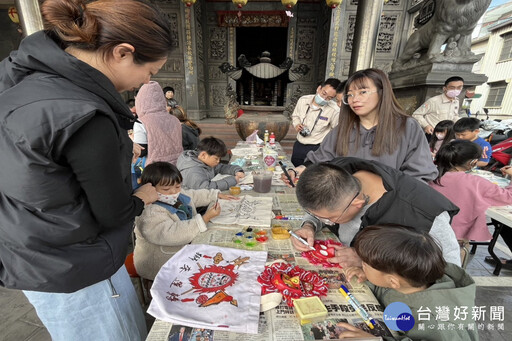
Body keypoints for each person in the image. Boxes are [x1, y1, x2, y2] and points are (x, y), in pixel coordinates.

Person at [0, 0, 172, 339]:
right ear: (122, 52)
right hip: (77, 266)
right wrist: (142, 195)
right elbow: (114, 212)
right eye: (149, 72)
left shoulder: (20, 78)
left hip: (28, 249)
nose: (144, 82)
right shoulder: (85, 115)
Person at [291, 158, 461, 268]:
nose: (326, 221)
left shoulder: (424, 214)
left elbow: (450, 273)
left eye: (330, 219)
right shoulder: (336, 172)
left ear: (357, 204)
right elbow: (323, 207)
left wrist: (369, 263)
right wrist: (310, 224)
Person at [283, 68, 437, 184]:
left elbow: (420, 174)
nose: (354, 99)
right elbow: (321, 159)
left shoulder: (406, 127)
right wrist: (298, 171)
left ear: (382, 93)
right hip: (346, 207)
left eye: (363, 92)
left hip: (389, 210)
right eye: (349, 95)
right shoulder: (343, 129)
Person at [339, 225, 478, 341]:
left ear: (393, 282)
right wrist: (368, 276)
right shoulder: (412, 279)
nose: (361, 265)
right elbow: (386, 288)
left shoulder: (439, 324)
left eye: (365, 265)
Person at [133, 162, 237, 280]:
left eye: (178, 186)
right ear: (149, 189)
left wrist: (215, 195)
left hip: (182, 251)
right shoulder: (149, 211)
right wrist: (204, 218)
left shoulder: (176, 194)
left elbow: (194, 195)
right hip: (161, 264)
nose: (173, 192)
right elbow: (172, 234)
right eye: (166, 189)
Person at [430, 140, 512, 268]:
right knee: (455, 268)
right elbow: (508, 197)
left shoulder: (430, 175)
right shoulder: (476, 182)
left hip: (427, 233)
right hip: (457, 239)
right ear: (473, 162)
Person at [290, 78, 341, 167]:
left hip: (317, 148)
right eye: (324, 93)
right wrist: (297, 124)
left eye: (329, 98)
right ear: (319, 88)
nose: (324, 98)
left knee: (311, 176)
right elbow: (295, 116)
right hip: (299, 144)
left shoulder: (335, 110)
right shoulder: (303, 100)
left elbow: (336, 131)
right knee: (294, 172)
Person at [134, 81, 183, 165]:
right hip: (177, 165)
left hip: (156, 169)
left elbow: (141, 151)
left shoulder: (141, 122)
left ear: (140, 101)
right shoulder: (174, 119)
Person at [177, 137, 244, 190]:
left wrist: (237, 170)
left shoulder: (204, 162)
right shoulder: (192, 171)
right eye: (216, 158)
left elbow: (220, 167)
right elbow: (205, 188)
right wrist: (232, 180)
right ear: (203, 155)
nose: (218, 161)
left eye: (219, 159)